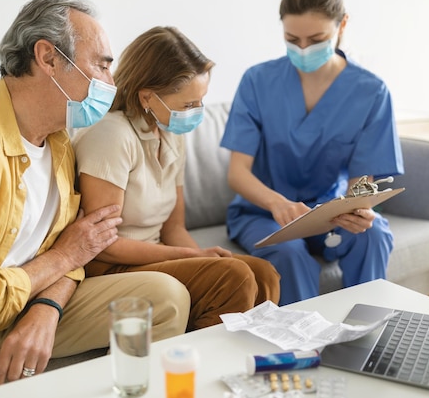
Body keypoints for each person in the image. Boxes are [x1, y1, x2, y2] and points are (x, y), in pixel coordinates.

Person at [0, 0, 191, 398]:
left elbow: (79, 251)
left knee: (164, 298)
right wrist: (63, 257)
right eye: (102, 63)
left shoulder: (60, 141)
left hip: (26, 303)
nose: (113, 83)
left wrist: (47, 309)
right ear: (48, 58)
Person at [72, 26, 281, 331]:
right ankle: (204, 366)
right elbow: (103, 245)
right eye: (188, 105)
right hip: (111, 265)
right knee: (233, 277)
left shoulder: (171, 134)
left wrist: (200, 257)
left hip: (155, 256)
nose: (198, 112)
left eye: (201, 101)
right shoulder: (111, 136)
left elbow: (174, 227)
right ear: (147, 96)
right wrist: (190, 256)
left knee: (263, 273)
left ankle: (246, 360)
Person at [220, 0, 404, 306]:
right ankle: (305, 350)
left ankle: (365, 339)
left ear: (342, 25)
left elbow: (362, 182)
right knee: (288, 252)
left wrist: (357, 209)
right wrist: (277, 203)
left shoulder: (370, 92)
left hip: (327, 211)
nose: (303, 49)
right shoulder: (257, 82)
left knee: (374, 235)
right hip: (263, 212)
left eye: (317, 40)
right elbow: (238, 173)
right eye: (292, 40)